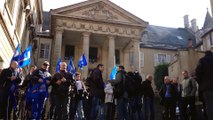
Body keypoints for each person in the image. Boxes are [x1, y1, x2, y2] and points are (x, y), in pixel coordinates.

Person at [195, 51, 213, 120]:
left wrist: (201, 83)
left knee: (210, 105)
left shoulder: (202, 60)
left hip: (207, 87)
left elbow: (198, 74)